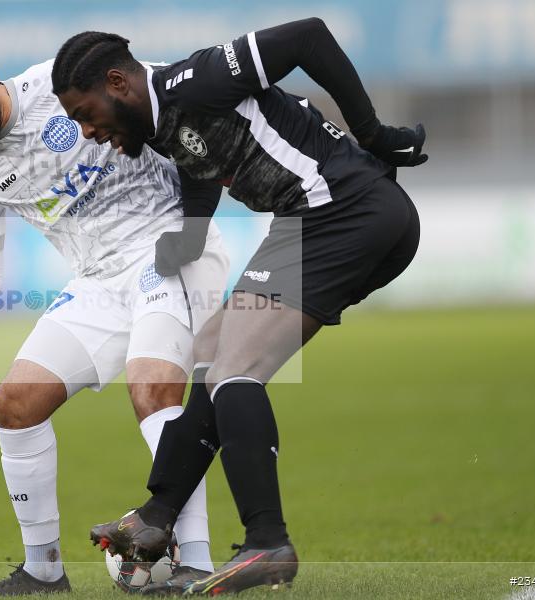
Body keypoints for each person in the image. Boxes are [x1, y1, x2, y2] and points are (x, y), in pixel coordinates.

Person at [52, 17, 426, 594]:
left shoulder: (194, 81)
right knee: (209, 350)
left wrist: (372, 132)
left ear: (117, 83)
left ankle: (267, 541)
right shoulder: (158, 124)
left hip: (342, 210)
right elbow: (200, 164)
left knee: (234, 369)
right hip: (325, 220)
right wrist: (191, 235)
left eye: (85, 114)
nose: (87, 131)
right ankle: (156, 518)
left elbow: (308, 37)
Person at [0, 41, 230, 596]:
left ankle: (197, 565)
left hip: (171, 251)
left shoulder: (63, 88)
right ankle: (42, 571)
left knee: (153, 386)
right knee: (14, 404)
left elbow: (169, 94)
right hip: (98, 280)